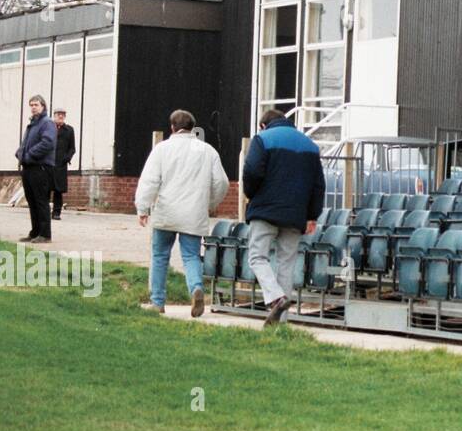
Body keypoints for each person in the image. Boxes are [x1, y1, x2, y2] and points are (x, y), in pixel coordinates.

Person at [135, 109, 230, 316]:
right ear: (192, 127)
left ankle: (158, 301)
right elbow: (221, 183)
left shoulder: (162, 149)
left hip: (166, 212)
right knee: (191, 256)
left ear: (172, 127)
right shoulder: (208, 151)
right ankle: (196, 288)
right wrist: (210, 203)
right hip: (194, 214)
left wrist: (143, 207)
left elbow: (150, 181)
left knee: (160, 256)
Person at [242, 108, 325, 327]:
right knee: (286, 265)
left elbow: (252, 171)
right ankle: (282, 323)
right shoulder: (310, 145)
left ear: (263, 125)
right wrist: (312, 215)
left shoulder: (262, 139)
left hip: (266, 210)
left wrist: (251, 194)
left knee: (257, 257)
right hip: (296, 214)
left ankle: (276, 297)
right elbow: (318, 185)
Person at [15, 95, 56, 244]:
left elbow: (47, 143)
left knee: (41, 201)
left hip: (41, 168)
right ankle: (35, 232)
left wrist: (28, 155)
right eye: (31, 104)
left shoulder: (47, 123)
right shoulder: (32, 124)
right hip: (29, 168)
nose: (33, 107)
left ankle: (45, 234)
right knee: (32, 201)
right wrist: (19, 153)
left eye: (36, 104)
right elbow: (25, 144)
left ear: (43, 106)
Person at [50, 107, 76, 221]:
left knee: (58, 190)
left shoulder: (69, 130)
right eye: (58, 114)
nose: (60, 116)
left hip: (61, 164)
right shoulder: (48, 128)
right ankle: (44, 212)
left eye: (63, 115)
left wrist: (66, 158)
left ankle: (56, 212)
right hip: (48, 163)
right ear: (54, 116)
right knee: (45, 189)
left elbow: (72, 148)